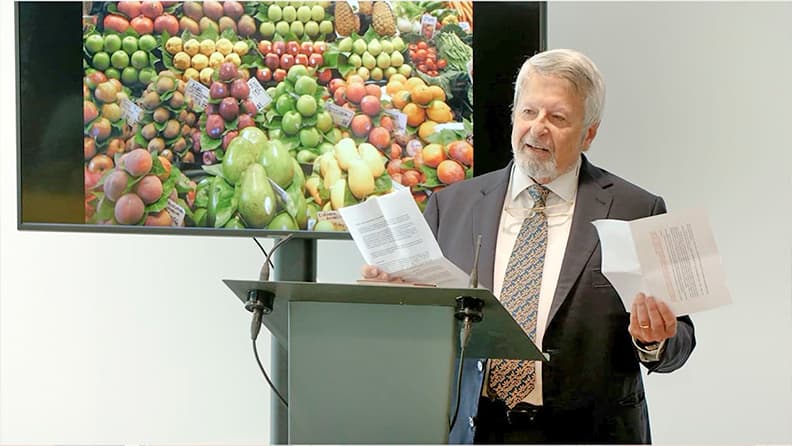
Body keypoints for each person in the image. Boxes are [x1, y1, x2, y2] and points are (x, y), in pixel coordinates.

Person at [362, 48, 696, 444]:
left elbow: (681, 340)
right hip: (472, 430)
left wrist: (653, 339)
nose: (538, 128)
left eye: (557, 118)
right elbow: (429, 332)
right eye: (528, 112)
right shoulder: (450, 205)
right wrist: (395, 302)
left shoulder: (639, 209)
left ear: (589, 133)